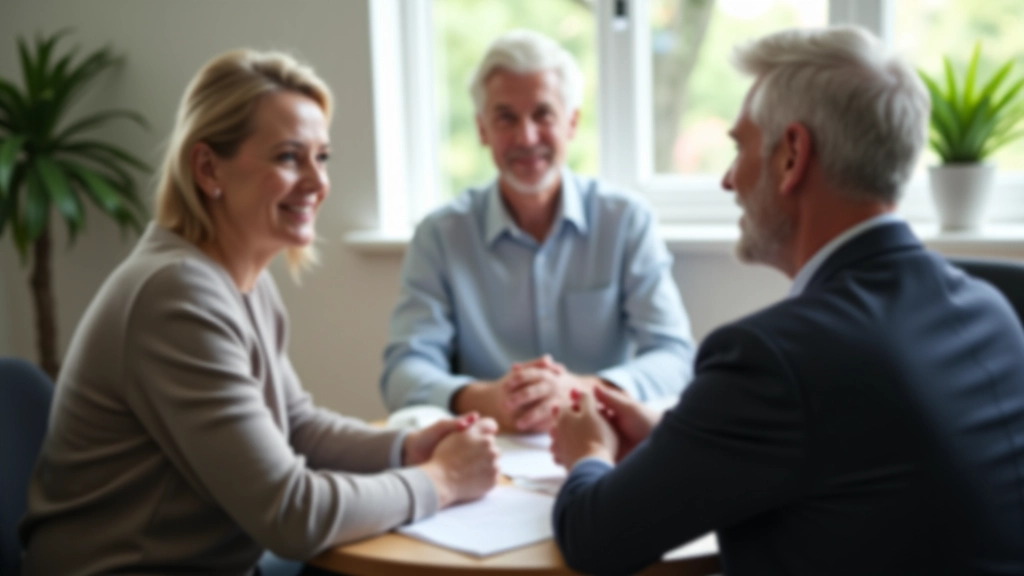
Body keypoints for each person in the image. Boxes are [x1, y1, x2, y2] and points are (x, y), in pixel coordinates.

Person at [548, 26, 1024, 575]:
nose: (728, 180)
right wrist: (671, 438)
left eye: (740, 146)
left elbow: (593, 539)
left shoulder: (773, 359)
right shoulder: (991, 308)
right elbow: (856, 462)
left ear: (792, 155)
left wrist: (588, 450)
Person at [19, 49, 500, 576]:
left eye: (322, 157)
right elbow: (292, 514)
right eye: (289, 157)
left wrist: (407, 447)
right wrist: (443, 480)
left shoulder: (242, 281)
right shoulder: (176, 295)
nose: (317, 183)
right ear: (207, 168)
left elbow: (295, 427)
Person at [381, 29, 696, 433]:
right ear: (482, 130)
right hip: (487, 449)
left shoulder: (626, 220)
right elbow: (403, 369)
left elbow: (675, 355)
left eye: (543, 114)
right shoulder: (440, 234)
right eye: (506, 118)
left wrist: (582, 391)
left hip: (603, 443)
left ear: (572, 123)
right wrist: (482, 398)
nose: (526, 137)